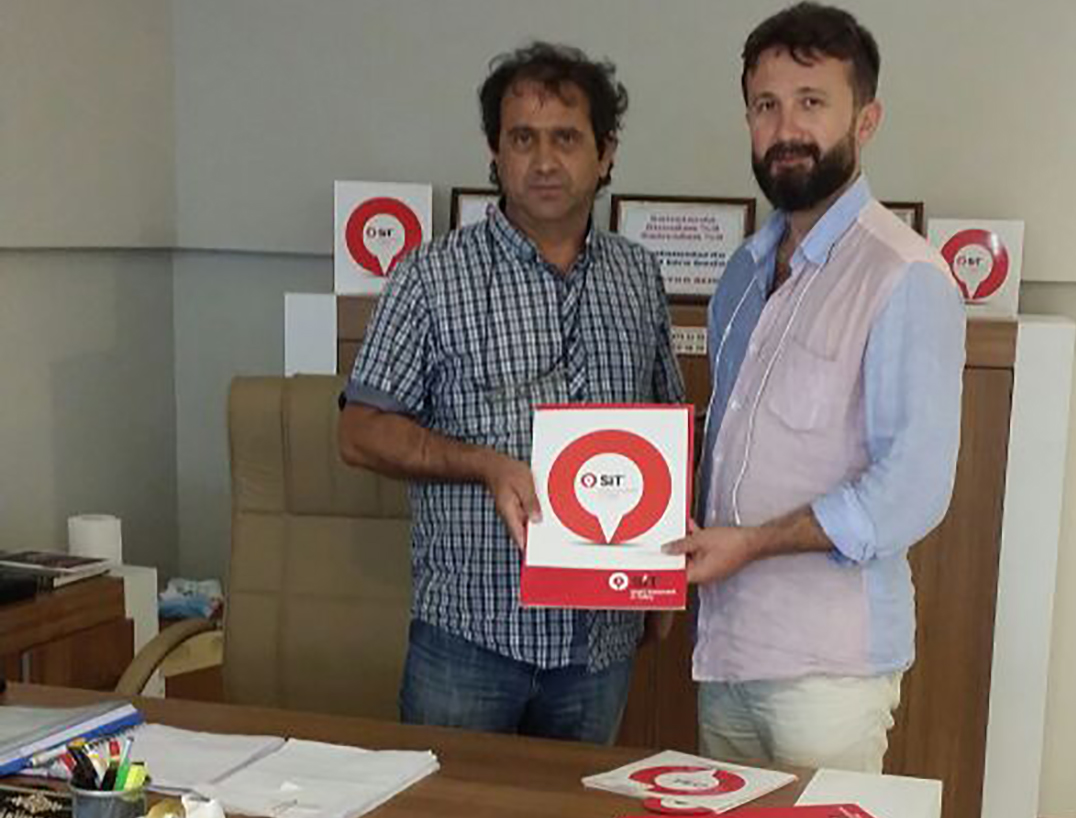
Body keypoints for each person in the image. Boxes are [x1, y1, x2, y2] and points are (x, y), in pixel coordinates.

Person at [338, 42, 684, 744]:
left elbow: (667, 428)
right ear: (495, 153)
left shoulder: (638, 276)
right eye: (523, 139)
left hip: (600, 641)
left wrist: (667, 575)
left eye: (566, 138)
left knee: (574, 799)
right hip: (470, 637)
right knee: (449, 797)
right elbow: (359, 431)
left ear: (606, 153)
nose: (544, 160)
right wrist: (487, 465)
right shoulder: (431, 276)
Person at [664, 2, 966, 772]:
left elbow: (912, 489)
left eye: (811, 102)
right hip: (726, 651)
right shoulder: (741, 274)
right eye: (766, 105)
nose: (786, 127)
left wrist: (754, 545)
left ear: (865, 120)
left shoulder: (904, 276)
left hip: (827, 672)